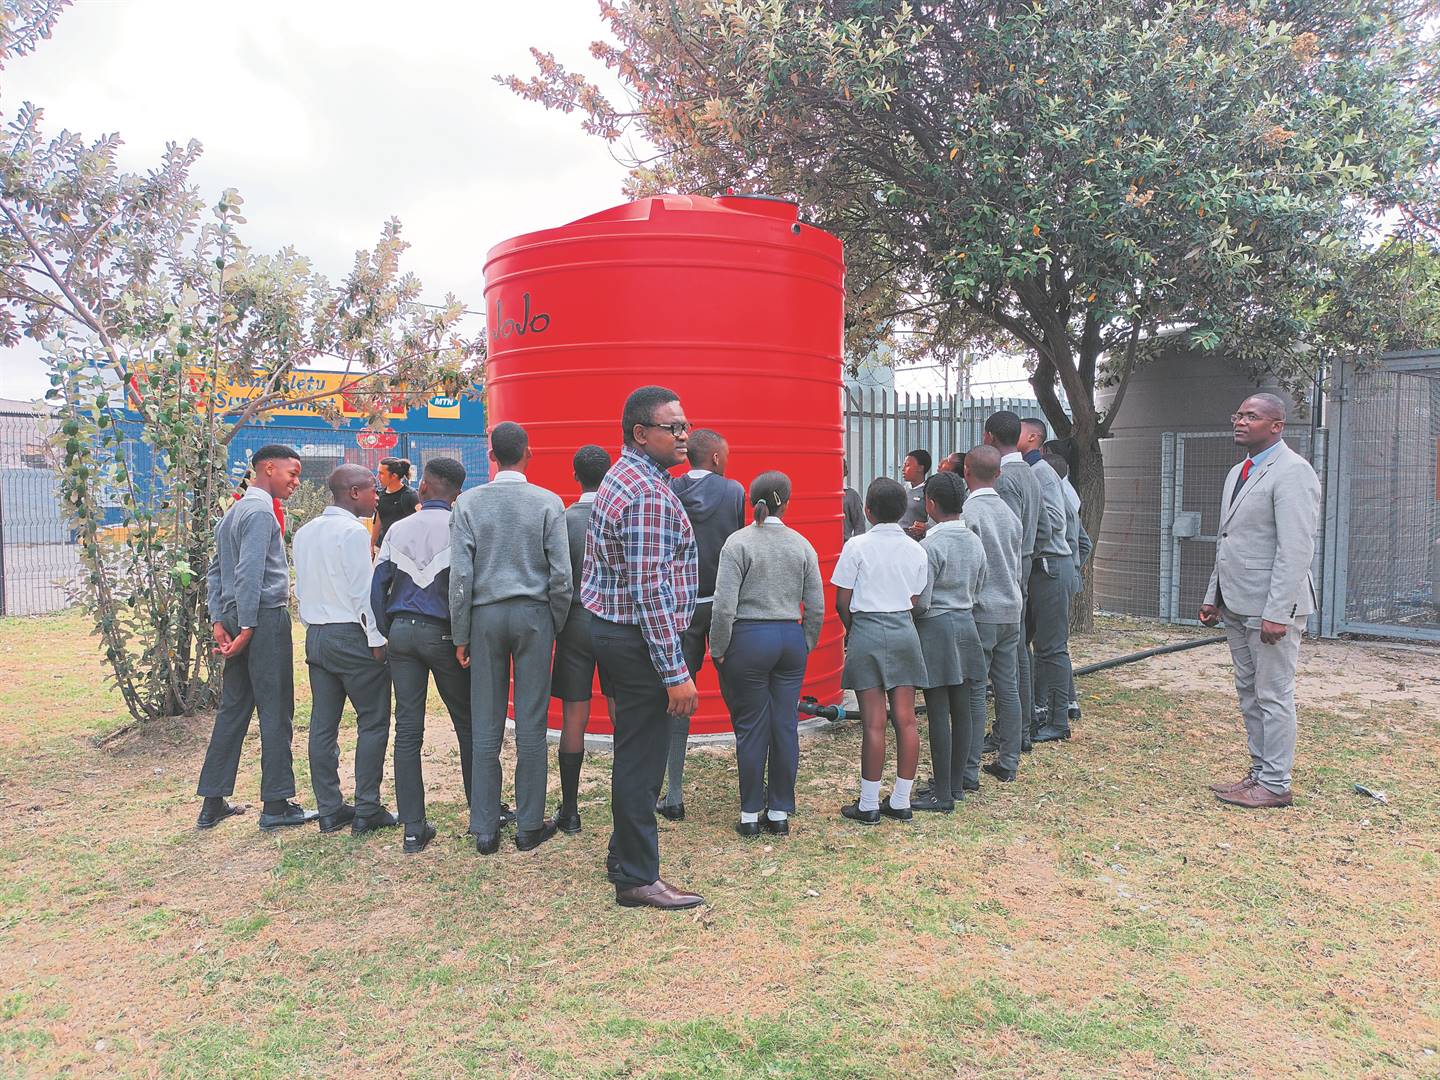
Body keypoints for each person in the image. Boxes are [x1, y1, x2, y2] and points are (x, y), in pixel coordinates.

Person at [582, 385, 703, 909]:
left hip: (619, 633)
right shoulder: (648, 494)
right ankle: (636, 877)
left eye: (685, 426)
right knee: (642, 757)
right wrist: (675, 671)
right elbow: (649, 588)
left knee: (636, 749)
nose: (684, 436)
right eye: (672, 428)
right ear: (640, 433)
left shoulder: (628, 475)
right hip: (636, 639)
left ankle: (622, 855)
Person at [450, 421, 572, 854]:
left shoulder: (468, 503)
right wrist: (554, 621)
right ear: (528, 453)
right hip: (534, 615)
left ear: (492, 456)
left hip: (483, 617)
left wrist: (459, 631)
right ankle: (528, 825)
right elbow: (561, 574)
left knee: (486, 721)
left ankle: (484, 828)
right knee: (532, 723)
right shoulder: (547, 503)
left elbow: (461, 576)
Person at [1200, 394, 1320, 809]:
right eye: (1238, 414)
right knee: (1249, 693)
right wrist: (1213, 596)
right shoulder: (1239, 472)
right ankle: (1258, 773)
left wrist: (1277, 612)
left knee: (1273, 694)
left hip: (1271, 608)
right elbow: (1229, 540)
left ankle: (1275, 782)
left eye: (1252, 416)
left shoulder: (1292, 472)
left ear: (1277, 425)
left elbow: (1295, 549)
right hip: (1236, 603)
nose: (1240, 421)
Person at [196, 444, 314, 831]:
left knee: (234, 707)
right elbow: (249, 573)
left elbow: (216, 573)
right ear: (267, 468)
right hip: (261, 619)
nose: (296, 482)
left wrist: (220, 619)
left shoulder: (231, 513)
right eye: (291, 473)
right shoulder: (261, 511)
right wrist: (247, 627)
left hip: (235, 615)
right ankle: (277, 805)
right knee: (276, 708)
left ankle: (212, 800)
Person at [709, 471, 824, 838]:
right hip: (789, 637)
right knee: (785, 725)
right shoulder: (802, 545)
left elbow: (724, 606)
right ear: (788, 503)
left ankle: (749, 814)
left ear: (750, 501)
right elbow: (817, 606)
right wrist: (804, 642)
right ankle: (778, 812)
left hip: (748, 639)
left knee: (751, 727)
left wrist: (719, 647)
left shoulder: (738, 543)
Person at [370, 456, 474, 854]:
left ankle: (413, 828)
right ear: (459, 494)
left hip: (402, 634)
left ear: (423, 488)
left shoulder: (398, 529)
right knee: (466, 725)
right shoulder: (458, 528)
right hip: (445, 635)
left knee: (408, 731)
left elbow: (378, 585)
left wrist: (386, 631)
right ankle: (481, 812)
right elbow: (466, 589)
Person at [294, 463, 396, 835]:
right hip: (352, 635)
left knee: (323, 725)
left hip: (316, 636)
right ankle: (367, 808)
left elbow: (301, 589)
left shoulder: (304, 532)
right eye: (372, 489)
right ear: (354, 492)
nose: (377, 495)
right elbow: (362, 593)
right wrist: (377, 641)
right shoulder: (353, 533)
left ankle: (330, 809)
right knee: (373, 721)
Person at [660, 428, 746, 821]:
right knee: (741, 695)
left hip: (682, 607)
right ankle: (751, 793)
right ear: (714, 458)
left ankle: (673, 793)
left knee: (679, 699)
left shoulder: (669, 489)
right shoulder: (734, 492)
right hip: (725, 603)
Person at [833, 476, 929, 823]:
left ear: (867, 512)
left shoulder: (856, 547)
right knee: (906, 719)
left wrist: (853, 628)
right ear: (903, 510)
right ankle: (901, 800)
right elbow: (916, 599)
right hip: (904, 629)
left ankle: (868, 803)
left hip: (867, 630)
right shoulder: (917, 549)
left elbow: (842, 599)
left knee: (873, 722)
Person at [910, 471, 988, 812]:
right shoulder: (974, 541)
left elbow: (923, 601)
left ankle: (941, 792)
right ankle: (956, 785)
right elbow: (981, 584)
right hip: (967, 624)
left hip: (936, 629)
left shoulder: (929, 546)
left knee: (938, 711)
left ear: (930, 504)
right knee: (964, 708)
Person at [551, 444, 618, 835]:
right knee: (620, 713)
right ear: (609, 474)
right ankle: (624, 805)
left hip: (574, 621)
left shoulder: (563, 519)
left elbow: (558, 579)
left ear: (575, 476)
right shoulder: (618, 515)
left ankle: (571, 810)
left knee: (574, 718)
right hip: (614, 623)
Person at [957, 445, 1025, 788]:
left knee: (974, 691)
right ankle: (1008, 761)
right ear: (998, 474)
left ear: (965, 470)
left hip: (982, 610)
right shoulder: (1010, 513)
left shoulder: (969, 512)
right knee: (1007, 688)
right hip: (1011, 609)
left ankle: (968, 770)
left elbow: (968, 565)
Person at [985, 411, 1040, 765]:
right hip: (1024, 566)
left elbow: (1001, 534)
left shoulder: (1005, 480)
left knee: (1010, 660)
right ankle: (1021, 728)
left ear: (989, 437)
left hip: (1008, 572)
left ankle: (1013, 732)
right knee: (1018, 652)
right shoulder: (1031, 473)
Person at [1018, 417, 1074, 744]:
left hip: (1050, 564)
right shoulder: (1028, 471)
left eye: (1021, 432)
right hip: (1039, 566)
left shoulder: (1042, 473)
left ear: (1035, 437)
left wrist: (1028, 550)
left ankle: (1058, 720)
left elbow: (1052, 521)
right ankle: (1037, 712)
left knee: (1051, 648)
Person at [1041, 452, 1093, 737]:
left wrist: (1070, 569)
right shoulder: (1064, 501)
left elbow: (1083, 543)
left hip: (1056, 575)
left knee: (1053, 646)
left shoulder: (1061, 506)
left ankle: (1061, 709)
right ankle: (1055, 705)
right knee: (1052, 645)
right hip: (1061, 574)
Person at [372, 457, 419, 549]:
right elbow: (378, 522)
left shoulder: (411, 495)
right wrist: (371, 545)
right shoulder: (380, 496)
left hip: (404, 550)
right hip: (383, 548)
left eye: (381, 473)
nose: (377, 477)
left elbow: (423, 515)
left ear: (394, 476)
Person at [898, 448, 931, 539]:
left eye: (907, 465)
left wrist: (925, 527)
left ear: (920, 468)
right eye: (904, 465)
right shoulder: (900, 490)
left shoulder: (927, 491)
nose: (903, 469)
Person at [842, 460, 867, 541]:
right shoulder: (821, 495)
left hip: (844, 545)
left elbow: (860, 524)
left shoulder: (852, 495)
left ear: (845, 472)